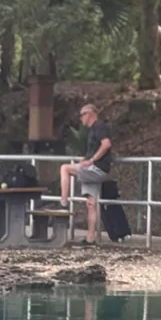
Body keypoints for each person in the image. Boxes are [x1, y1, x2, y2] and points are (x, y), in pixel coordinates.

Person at [59, 103, 114, 244]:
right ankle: (90, 238)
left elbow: (106, 144)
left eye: (82, 115)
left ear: (90, 114)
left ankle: (63, 201)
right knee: (91, 203)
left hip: (97, 168)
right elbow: (95, 148)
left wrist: (92, 160)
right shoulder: (92, 130)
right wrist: (86, 158)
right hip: (94, 167)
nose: (81, 118)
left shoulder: (99, 126)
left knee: (65, 168)